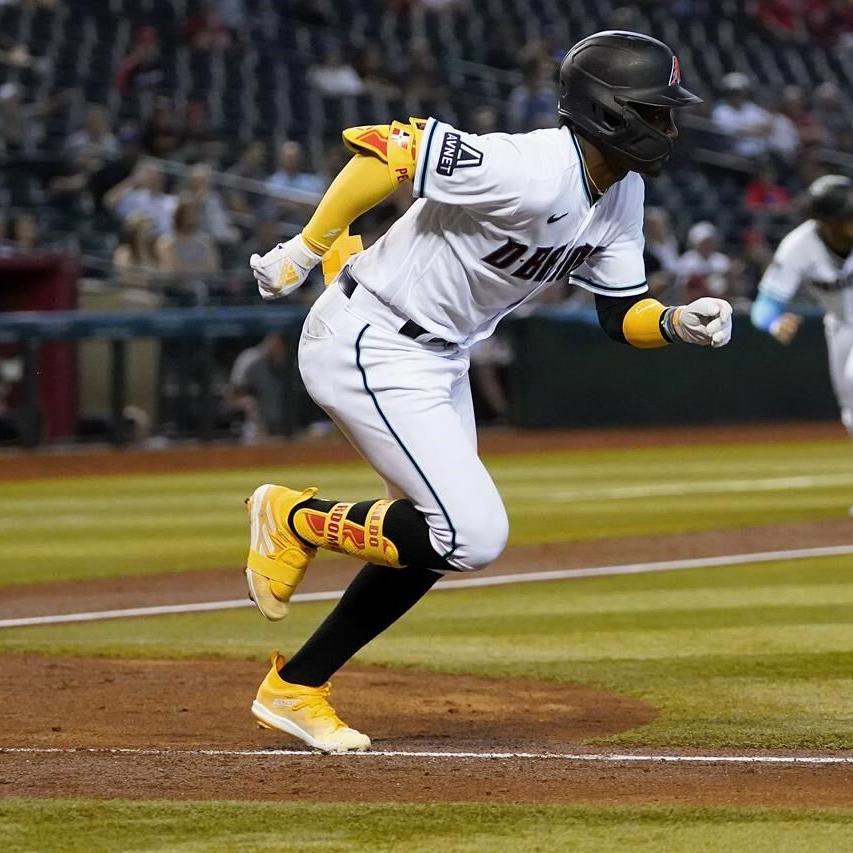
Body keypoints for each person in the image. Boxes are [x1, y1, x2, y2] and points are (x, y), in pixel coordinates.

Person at [245, 31, 733, 752]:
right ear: (608, 112)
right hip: (370, 340)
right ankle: (293, 518)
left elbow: (616, 314)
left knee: (439, 539)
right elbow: (388, 146)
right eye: (655, 111)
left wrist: (674, 324)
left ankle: (296, 686)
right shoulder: (531, 166)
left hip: (439, 358)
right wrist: (308, 245)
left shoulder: (619, 191)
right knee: (471, 533)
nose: (668, 127)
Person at [751, 174, 853, 445]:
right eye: (846, 216)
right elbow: (764, 306)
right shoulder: (799, 246)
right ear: (825, 220)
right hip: (840, 326)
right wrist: (774, 323)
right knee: (850, 414)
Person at [228, 334, 288, 442]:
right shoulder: (251, 360)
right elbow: (234, 395)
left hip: (278, 426)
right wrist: (257, 422)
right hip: (252, 427)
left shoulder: (284, 364)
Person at [675, 221, 733, 300]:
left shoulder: (722, 260)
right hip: (694, 299)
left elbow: (728, 284)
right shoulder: (687, 260)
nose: (707, 245)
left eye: (709, 242)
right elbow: (683, 286)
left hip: (718, 298)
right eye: (704, 242)